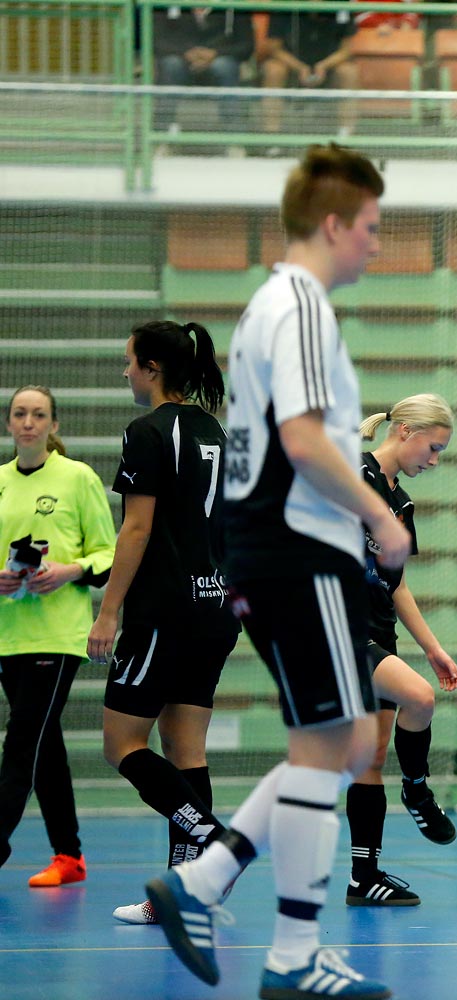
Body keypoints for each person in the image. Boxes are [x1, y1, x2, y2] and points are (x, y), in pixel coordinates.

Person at [145, 144, 409, 1000]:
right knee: (345, 741)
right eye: (370, 227)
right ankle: (289, 952)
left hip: (269, 546)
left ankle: (205, 883)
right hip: (298, 547)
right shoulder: (297, 306)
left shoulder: (278, 304)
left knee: (335, 741)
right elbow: (301, 440)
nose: (377, 243)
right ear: (333, 223)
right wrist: (377, 517)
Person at [85, 321, 240, 925]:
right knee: (184, 747)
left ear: (152, 368)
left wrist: (108, 611)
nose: (124, 372)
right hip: (215, 607)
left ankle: (218, 844)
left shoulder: (147, 432)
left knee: (121, 744)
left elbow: (138, 529)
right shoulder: (215, 430)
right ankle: (181, 895)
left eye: (129, 362)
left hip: (162, 613)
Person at [345, 394, 457, 908]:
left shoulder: (402, 504)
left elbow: (396, 585)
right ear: (406, 431)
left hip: (379, 631)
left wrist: (433, 648)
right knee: (420, 699)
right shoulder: (352, 476)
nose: (433, 462)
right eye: (432, 449)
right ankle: (416, 788)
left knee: (369, 759)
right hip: (340, 629)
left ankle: (362, 877)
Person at [0, 386, 116, 887]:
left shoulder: (78, 478)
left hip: (58, 636)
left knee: (21, 741)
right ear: (10, 423)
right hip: (10, 635)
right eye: (20, 414)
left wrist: (70, 570)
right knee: (45, 745)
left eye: (38, 414)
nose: (29, 422)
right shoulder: (0, 482)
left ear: (54, 425)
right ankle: (68, 857)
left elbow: (109, 554)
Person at [260, 6, 360, 139]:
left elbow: (346, 50)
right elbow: (274, 48)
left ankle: (346, 136)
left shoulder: (341, 5)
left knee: (349, 72)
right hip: (292, 67)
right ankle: (271, 136)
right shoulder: (283, 4)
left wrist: (324, 66)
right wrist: (300, 67)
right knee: (273, 69)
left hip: (328, 67)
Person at [152, 5, 255, 134]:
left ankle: (234, 138)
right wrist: (186, 53)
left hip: (220, 57)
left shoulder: (235, 5)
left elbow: (247, 45)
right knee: (171, 65)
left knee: (225, 67)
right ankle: (162, 135)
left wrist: (215, 53)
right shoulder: (165, 4)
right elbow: (156, 41)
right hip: (179, 57)